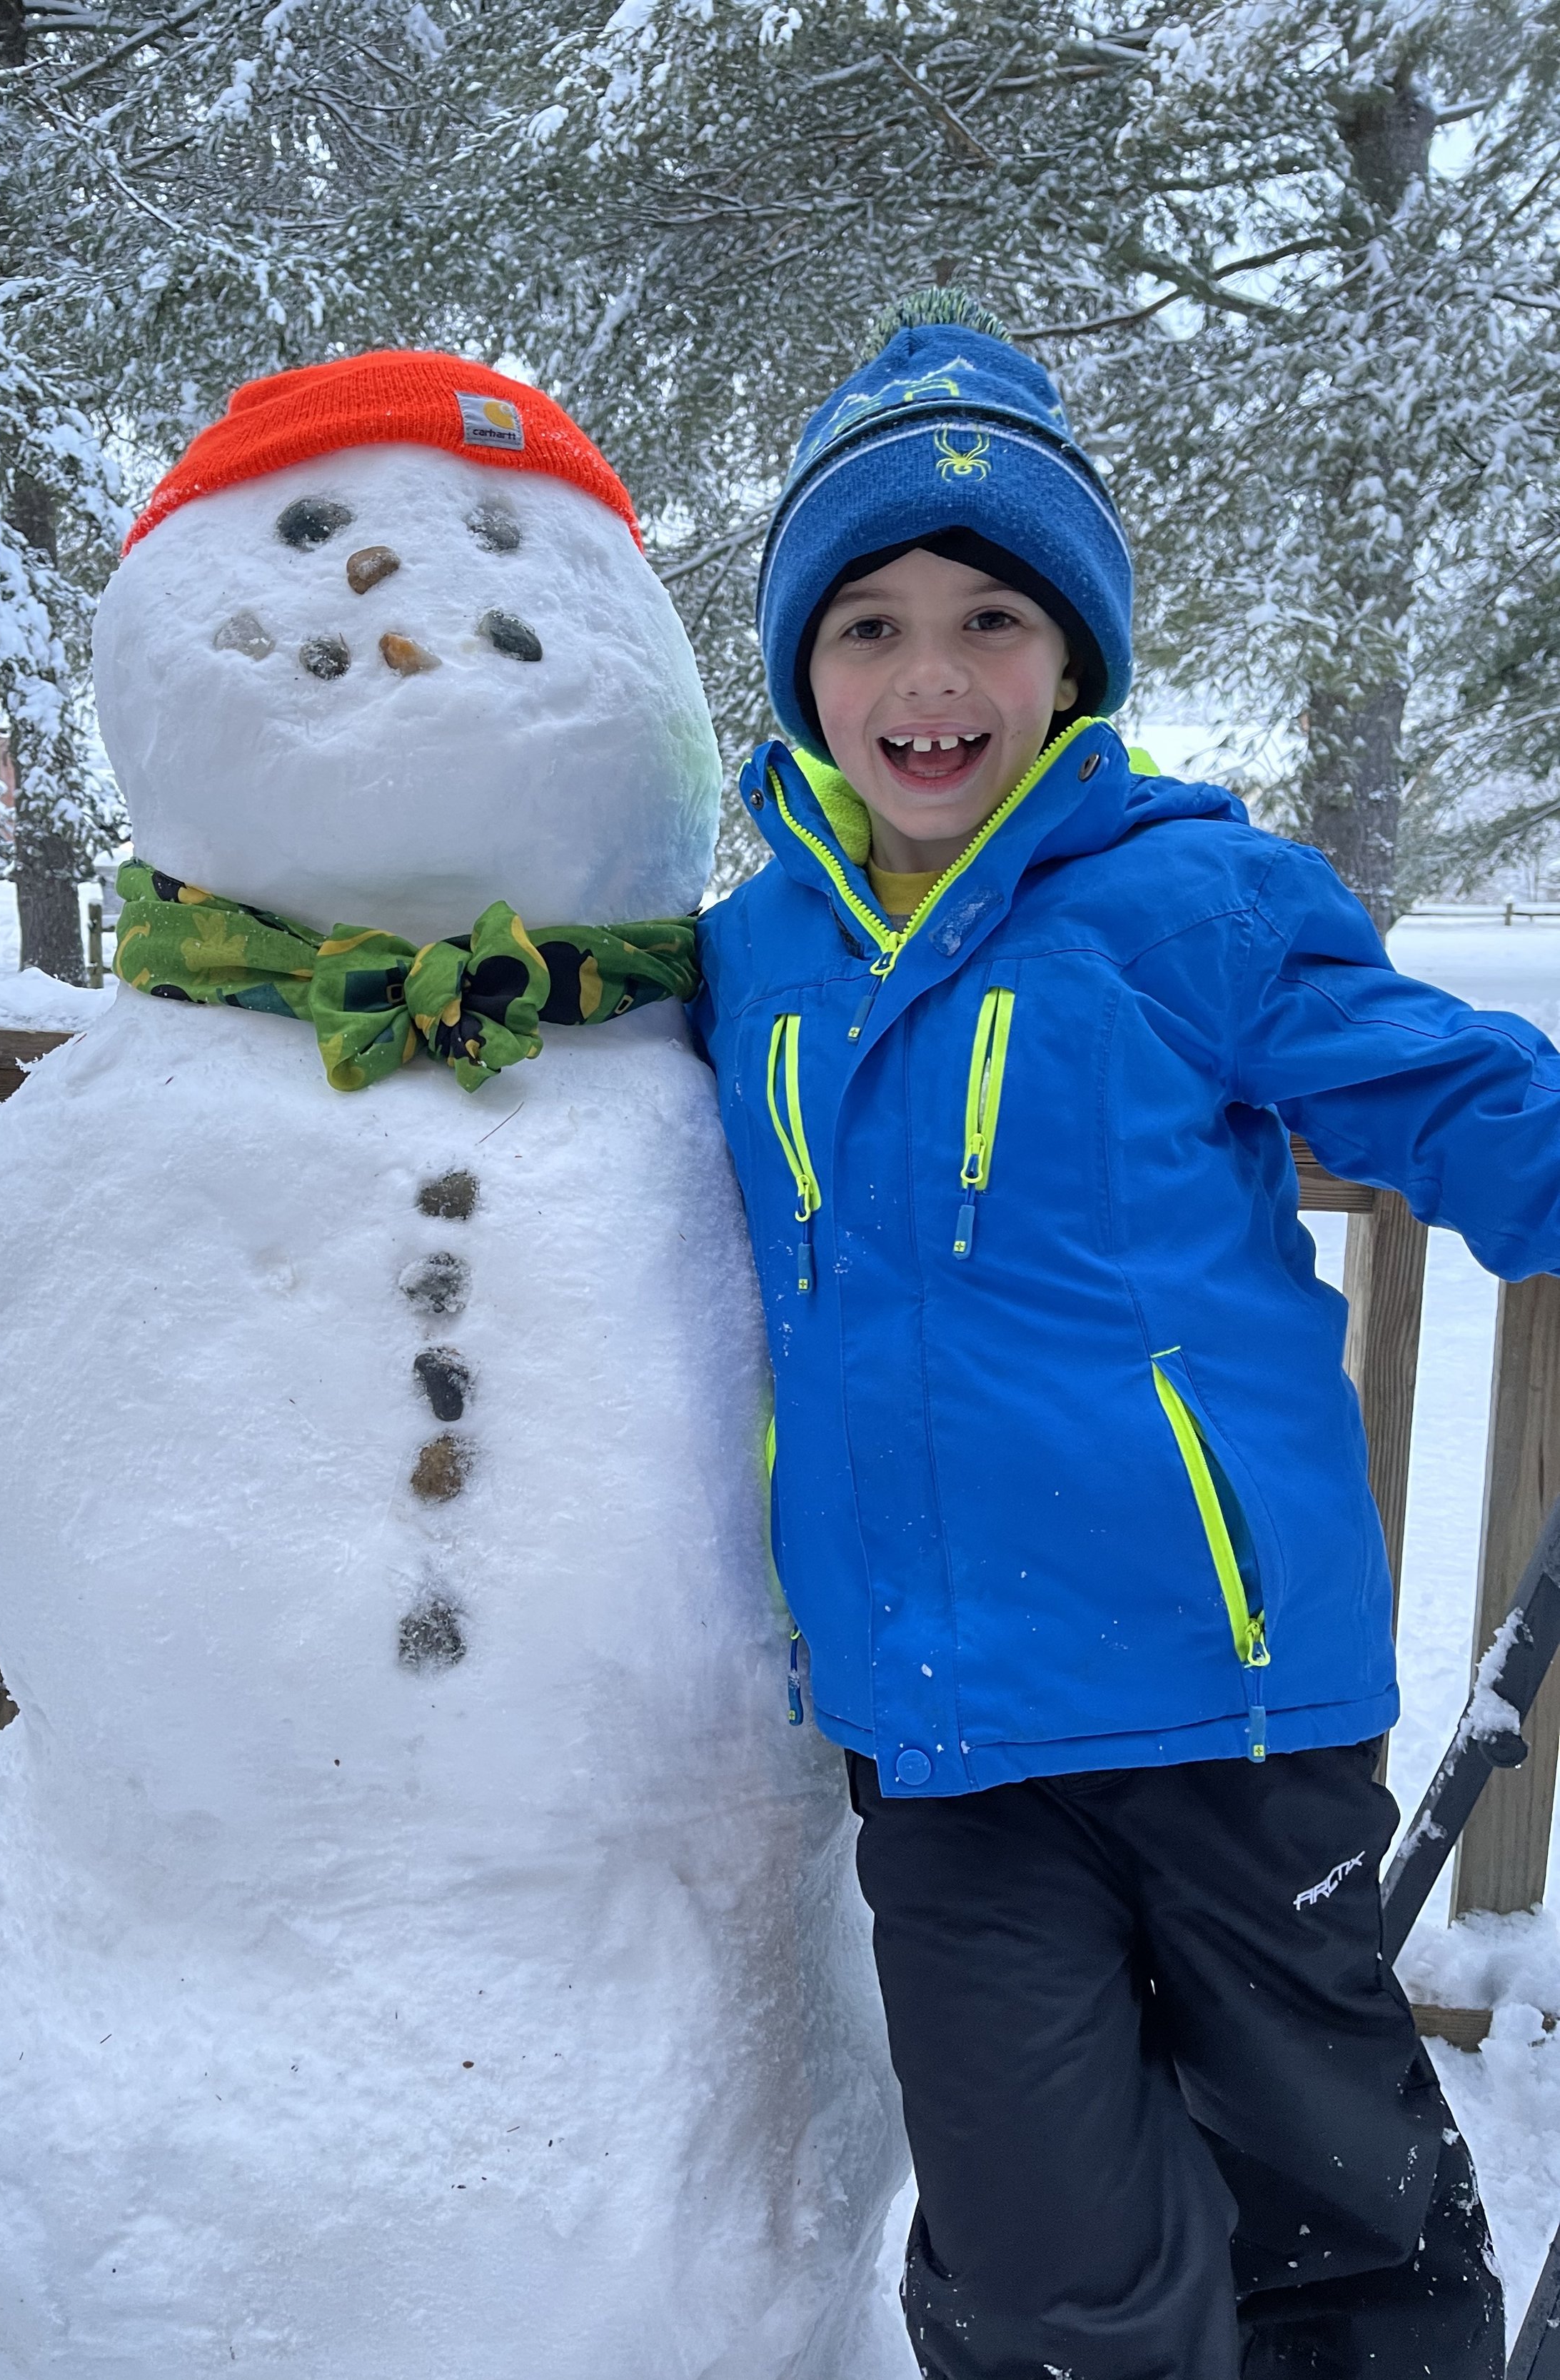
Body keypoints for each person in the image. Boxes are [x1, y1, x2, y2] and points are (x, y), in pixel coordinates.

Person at [692, 287, 1553, 2378]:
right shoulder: (743, 958)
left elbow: (1452, 1097)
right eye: (867, 620)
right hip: (946, 1736)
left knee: (1327, 2200)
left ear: (1069, 660)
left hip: (1233, 1707)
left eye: (987, 619)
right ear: (805, 670)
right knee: (1037, 2241)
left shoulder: (1196, 903)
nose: (927, 675)